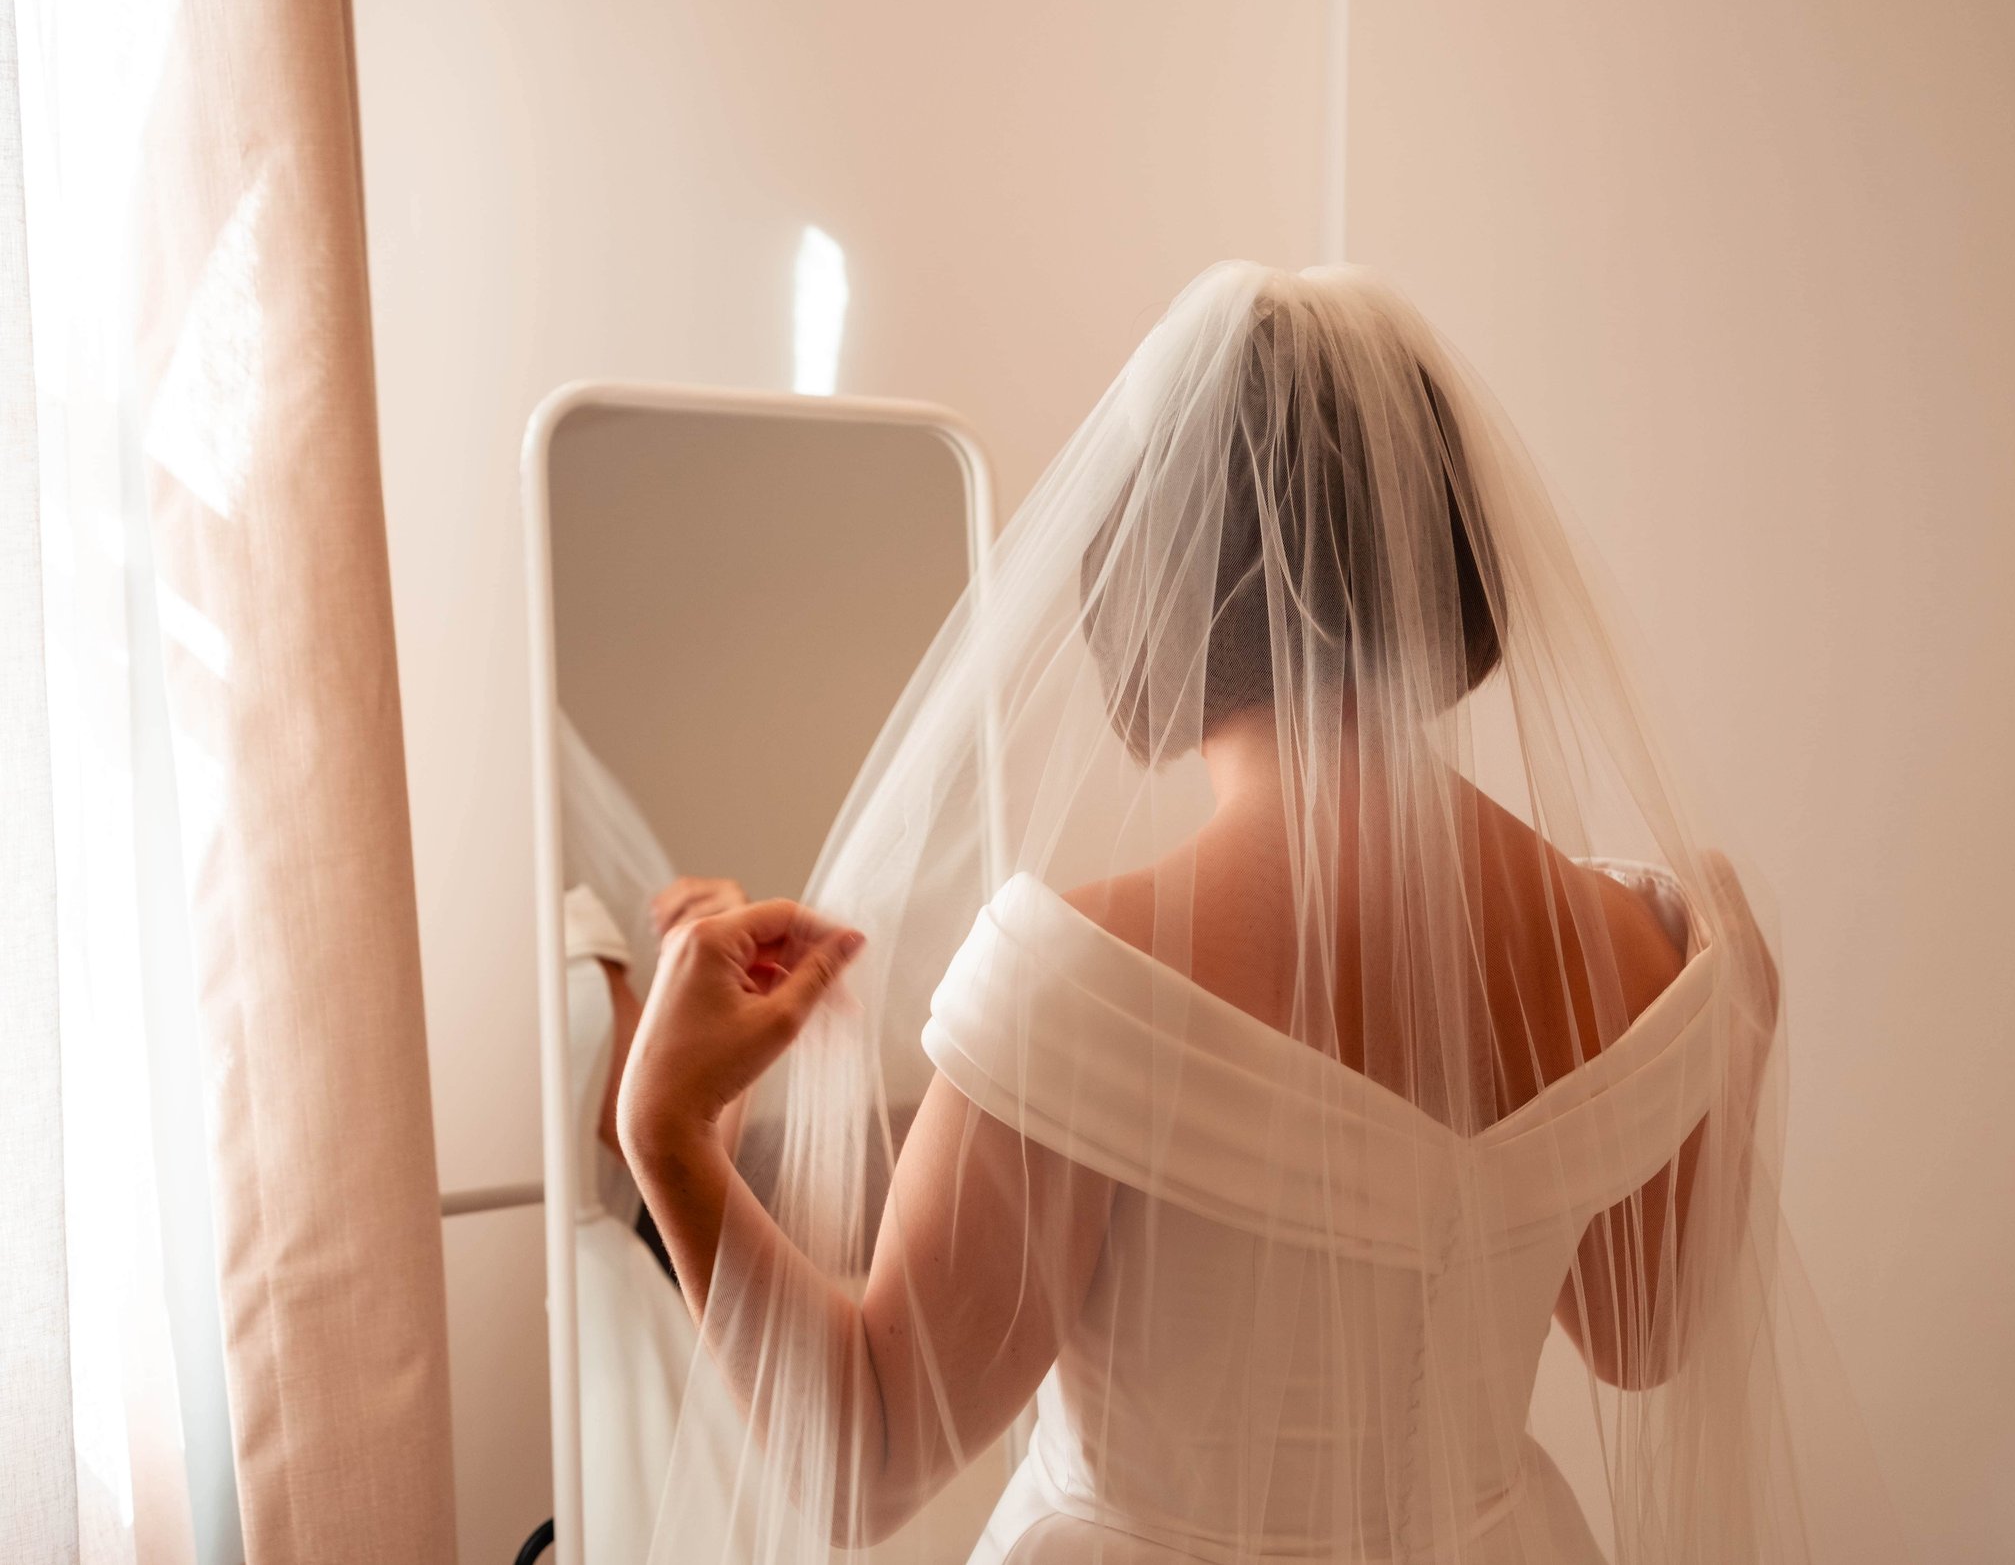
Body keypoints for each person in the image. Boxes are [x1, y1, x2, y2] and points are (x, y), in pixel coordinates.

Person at [621, 263, 1863, 1563]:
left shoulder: (1082, 983)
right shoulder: (1636, 948)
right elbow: (1642, 1339)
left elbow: (867, 1464)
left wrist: (669, 1130)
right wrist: (1729, 1031)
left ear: (1153, 576)